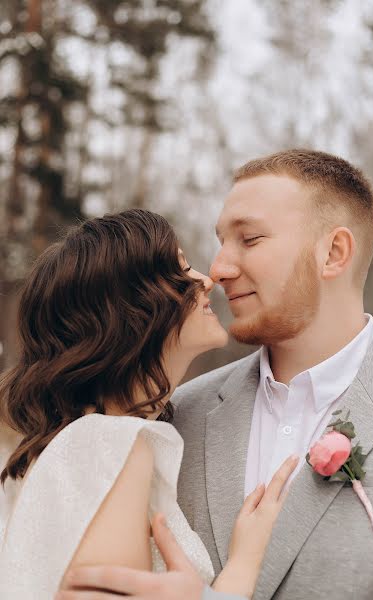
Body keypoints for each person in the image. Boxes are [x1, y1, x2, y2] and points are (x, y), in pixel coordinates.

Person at [61, 149, 373, 600]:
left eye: (250, 239)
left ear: (333, 253)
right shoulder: (174, 416)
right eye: (221, 241)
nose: (218, 269)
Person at [0, 208, 297, 600]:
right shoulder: (109, 444)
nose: (206, 281)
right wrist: (243, 565)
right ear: (130, 310)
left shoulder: (73, 445)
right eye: (182, 271)